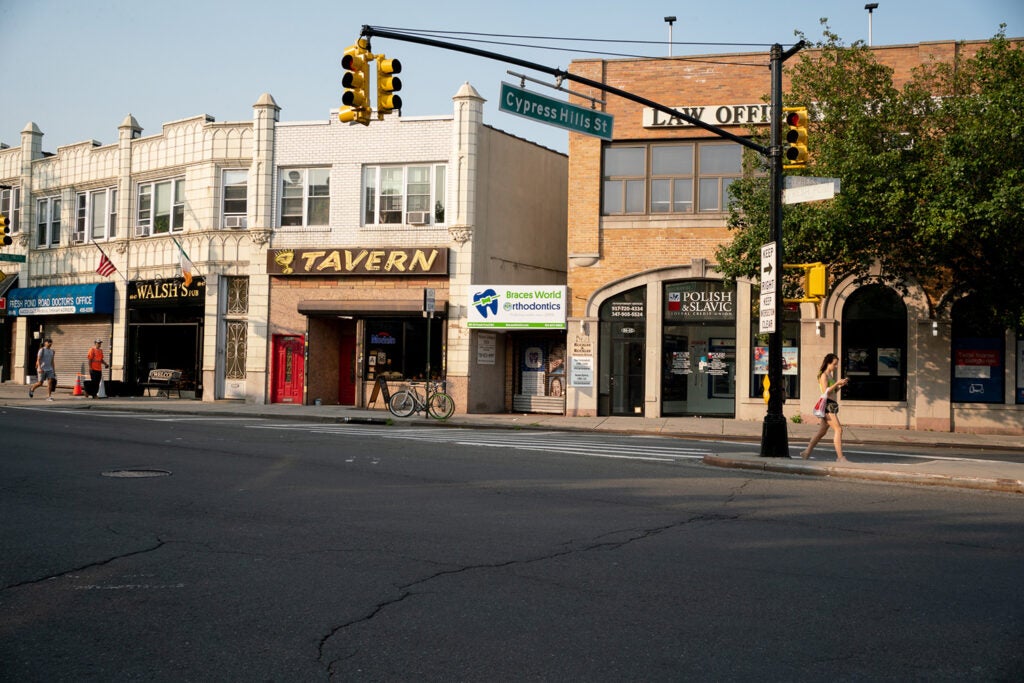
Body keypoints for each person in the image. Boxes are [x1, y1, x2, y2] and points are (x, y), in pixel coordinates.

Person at [800, 353, 850, 462]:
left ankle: (806, 452)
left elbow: (833, 391)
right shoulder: (823, 375)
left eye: (837, 364)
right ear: (828, 363)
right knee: (838, 429)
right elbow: (825, 391)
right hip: (827, 405)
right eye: (834, 364)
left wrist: (840, 386)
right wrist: (837, 383)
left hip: (830, 404)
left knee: (821, 432)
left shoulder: (830, 375)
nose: (836, 366)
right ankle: (840, 457)